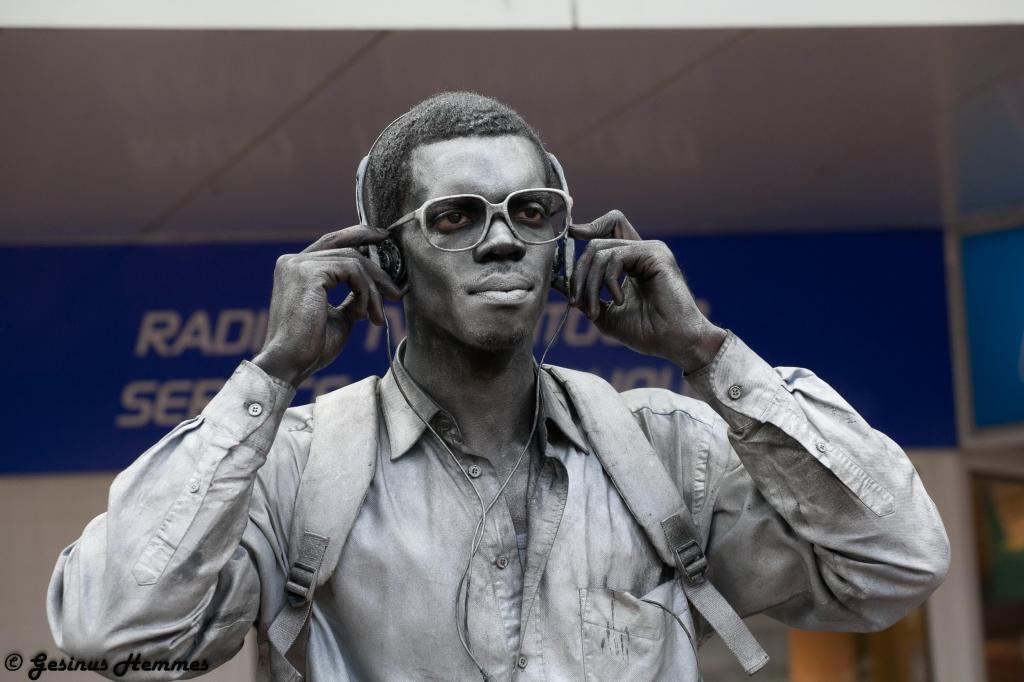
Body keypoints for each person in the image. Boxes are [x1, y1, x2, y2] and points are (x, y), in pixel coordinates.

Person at [47, 91, 950, 681]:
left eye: (532, 211)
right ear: (388, 260)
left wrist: (709, 355)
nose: (504, 239)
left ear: (563, 245)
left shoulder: (669, 451)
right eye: (455, 217)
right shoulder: (297, 469)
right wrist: (270, 376)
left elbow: (897, 564)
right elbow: (113, 636)